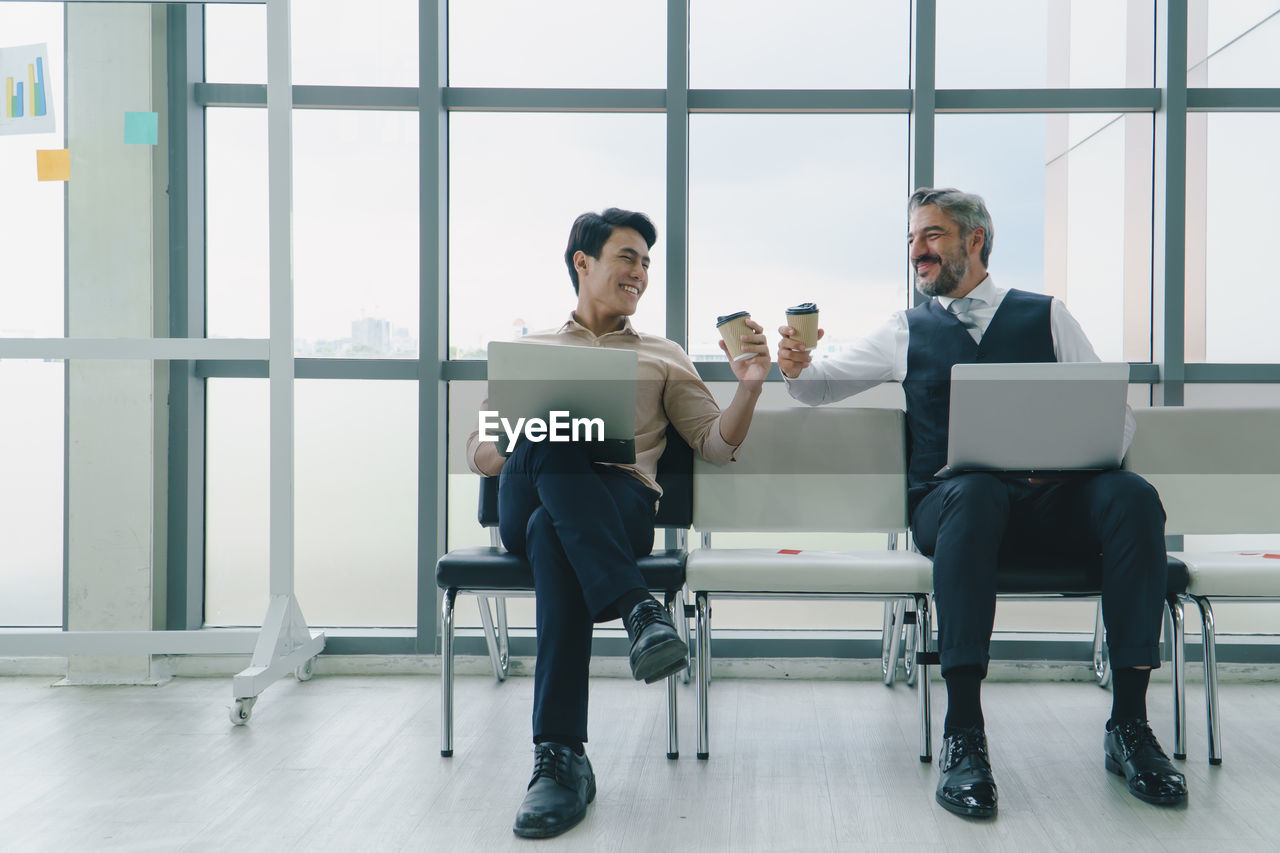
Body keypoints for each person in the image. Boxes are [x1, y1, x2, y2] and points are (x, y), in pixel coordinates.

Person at [776, 188, 1186, 819]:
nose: (918, 251)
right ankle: (963, 731)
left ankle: (1129, 726)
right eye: (912, 239)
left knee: (1133, 496)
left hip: (1053, 504)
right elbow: (815, 390)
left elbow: (1117, 421)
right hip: (953, 508)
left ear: (975, 240)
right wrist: (796, 367)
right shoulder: (904, 329)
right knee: (974, 491)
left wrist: (1071, 455)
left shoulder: (1048, 316)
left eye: (932, 236)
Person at [466, 208, 770, 838]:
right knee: (551, 439)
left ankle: (560, 759)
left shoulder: (663, 355)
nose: (639, 273)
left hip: (620, 506)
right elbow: (481, 452)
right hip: (528, 493)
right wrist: (521, 432)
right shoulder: (530, 351)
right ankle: (638, 609)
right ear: (584, 262)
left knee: (558, 534)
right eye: (627, 257)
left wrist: (748, 390)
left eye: (646, 263)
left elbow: (714, 443)